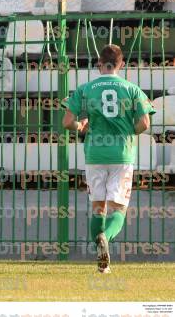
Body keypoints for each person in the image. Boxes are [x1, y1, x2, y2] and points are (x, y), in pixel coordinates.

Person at [63, 44, 154, 273]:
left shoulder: (85, 89)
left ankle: (101, 261)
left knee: (98, 208)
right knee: (118, 209)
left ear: (98, 65)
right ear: (121, 64)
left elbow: (67, 122)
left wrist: (82, 127)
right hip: (121, 154)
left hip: (95, 154)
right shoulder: (132, 89)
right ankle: (107, 236)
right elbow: (144, 123)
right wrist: (126, 133)